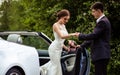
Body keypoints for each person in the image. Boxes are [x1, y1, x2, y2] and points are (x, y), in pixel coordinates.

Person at [75, 2, 111, 75]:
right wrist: (82, 46)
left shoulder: (103, 22)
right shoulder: (103, 21)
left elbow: (93, 35)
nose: (92, 13)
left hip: (101, 54)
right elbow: (94, 38)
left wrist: (80, 35)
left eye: (93, 11)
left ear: (99, 11)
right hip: (102, 55)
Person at [40, 9, 76, 75]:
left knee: (55, 65)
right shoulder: (55, 25)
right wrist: (73, 34)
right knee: (56, 66)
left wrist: (66, 47)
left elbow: (61, 41)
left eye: (67, 19)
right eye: (65, 19)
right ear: (61, 17)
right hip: (53, 49)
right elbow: (62, 36)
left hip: (59, 49)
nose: (66, 21)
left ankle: (41, 71)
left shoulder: (63, 26)